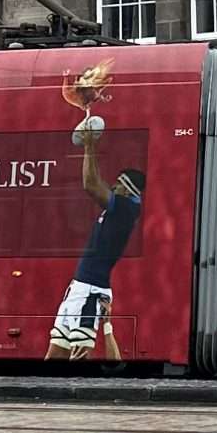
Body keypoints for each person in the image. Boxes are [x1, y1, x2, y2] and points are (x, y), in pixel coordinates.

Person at [49, 64, 142, 361]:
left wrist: (90, 146)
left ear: (128, 189)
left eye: (118, 183)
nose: (112, 185)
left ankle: (78, 408)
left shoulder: (126, 209)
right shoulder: (122, 207)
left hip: (90, 291)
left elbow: (91, 184)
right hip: (79, 288)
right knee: (55, 356)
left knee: (79, 359)